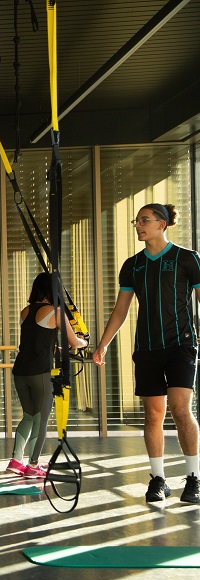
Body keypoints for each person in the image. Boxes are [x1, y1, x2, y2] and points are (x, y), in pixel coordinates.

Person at [93, 203, 200, 504]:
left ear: (162, 224)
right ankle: (159, 480)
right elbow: (121, 309)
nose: (138, 225)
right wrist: (103, 343)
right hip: (147, 349)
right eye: (136, 221)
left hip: (181, 346)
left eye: (145, 220)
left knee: (181, 411)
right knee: (153, 415)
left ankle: (193, 478)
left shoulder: (187, 259)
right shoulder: (132, 265)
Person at [7, 272, 87, 478]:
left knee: (28, 415)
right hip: (40, 372)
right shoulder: (56, 312)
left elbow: (37, 341)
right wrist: (83, 341)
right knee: (41, 419)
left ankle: (16, 460)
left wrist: (57, 349)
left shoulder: (25, 312)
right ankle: (33, 464)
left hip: (20, 371)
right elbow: (75, 342)